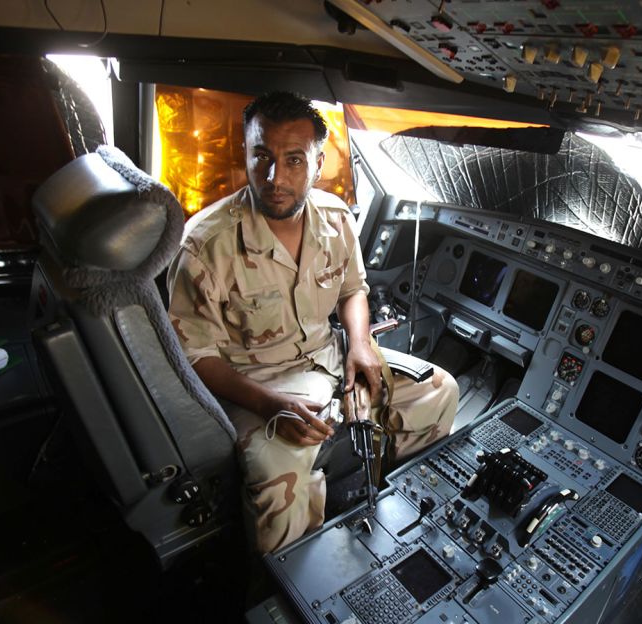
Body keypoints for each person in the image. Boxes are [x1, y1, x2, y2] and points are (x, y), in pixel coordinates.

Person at [167, 91, 458, 553]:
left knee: (440, 390)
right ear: (245, 152)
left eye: (293, 160)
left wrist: (361, 345)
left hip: (333, 359)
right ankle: (286, 584)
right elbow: (193, 356)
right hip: (256, 382)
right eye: (260, 156)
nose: (273, 177)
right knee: (273, 478)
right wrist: (267, 405)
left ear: (318, 163)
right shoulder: (206, 245)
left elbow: (352, 290)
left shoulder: (336, 217)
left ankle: (394, 517)